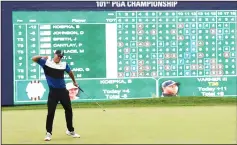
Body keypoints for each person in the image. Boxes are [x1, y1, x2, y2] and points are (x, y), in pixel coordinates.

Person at [32, 50, 80, 141]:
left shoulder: (64, 65)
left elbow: (70, 72)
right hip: (53, 92)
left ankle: (70, 130)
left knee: (69, 110)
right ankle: (48, 133)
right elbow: (33, 58)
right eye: (58, 56)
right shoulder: (46, 62)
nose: (59, 57)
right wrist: (43, 56)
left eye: (61, 57)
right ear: (55, 54)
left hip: (63, 92)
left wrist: (74, 81)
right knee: (51, 113)